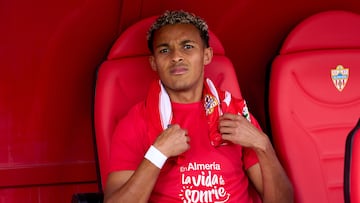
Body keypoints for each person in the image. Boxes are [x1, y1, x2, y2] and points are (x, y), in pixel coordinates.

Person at [104, 10, 293, 203]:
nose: (176, 56)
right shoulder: (136, 122)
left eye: (187, 46)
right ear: (153, 62)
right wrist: (157, 154)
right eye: (164, 50)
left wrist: (263, 145)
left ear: (207, 55)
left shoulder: (235, 114)